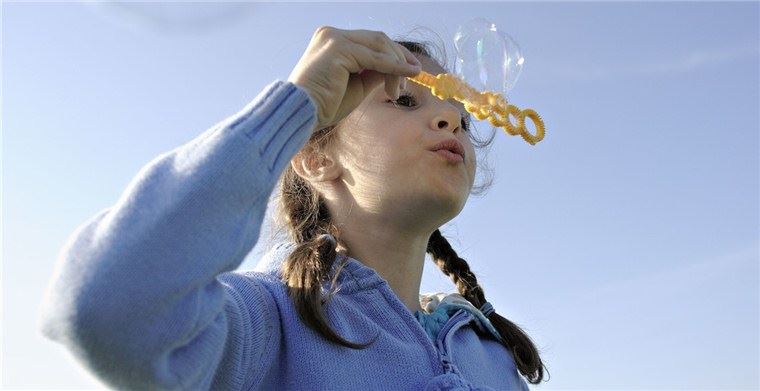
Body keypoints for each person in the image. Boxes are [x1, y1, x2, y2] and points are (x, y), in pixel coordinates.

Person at [38, 26, 547, 390]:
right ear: (315, 156)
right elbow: (106, 307)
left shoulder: (491, 355)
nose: (449, 121)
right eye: (406, 101)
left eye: (460, 115)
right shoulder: (268, 325)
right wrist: (296, 105)